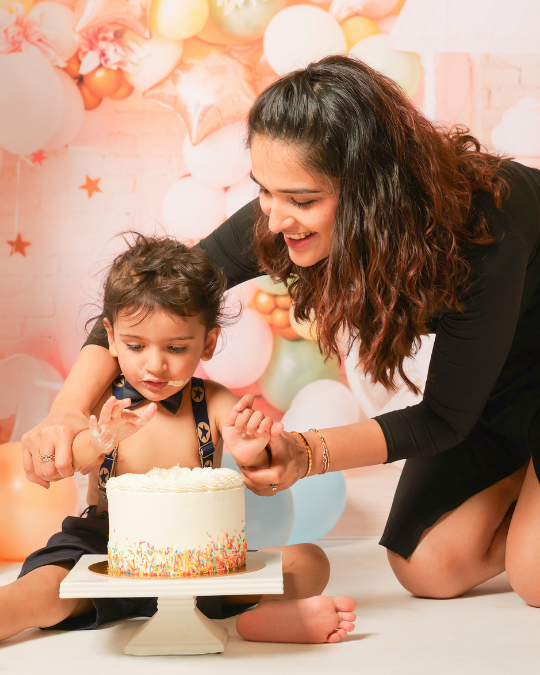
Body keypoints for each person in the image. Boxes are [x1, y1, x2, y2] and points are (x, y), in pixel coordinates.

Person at [22, 55, 540, 606]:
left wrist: (304, 452)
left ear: (374, 193)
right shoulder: (285, 211)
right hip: (498, 376)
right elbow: (152, 300)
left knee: (532, 578)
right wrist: (66, 412)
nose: (272, 220)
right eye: (264, 190)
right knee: (426, 569)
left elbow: (443, 418)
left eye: (302, 200)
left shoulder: (489, 233)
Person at [0, 234, 357, 645]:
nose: (155, 365)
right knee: (42, 588)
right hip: (105, 549)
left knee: (308, 560)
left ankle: (266, 618)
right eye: (136, 346)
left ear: (208, 343)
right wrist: (98, 441)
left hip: (199, 558)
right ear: (110, 337)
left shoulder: (216, 402)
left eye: (175, 347)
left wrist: (251, 453)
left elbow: (262, 472)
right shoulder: (102, 402)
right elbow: (71, 460)